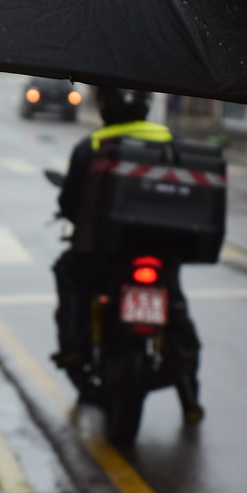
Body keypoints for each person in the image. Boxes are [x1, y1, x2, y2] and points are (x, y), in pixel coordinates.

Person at [52, 87, 203, 420]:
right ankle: (190, 400)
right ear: (147, 108)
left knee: (68, 274)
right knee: (175, 312)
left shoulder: (90, 146)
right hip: (163, 252)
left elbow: (68, 204)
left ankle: (72, 347)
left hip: (102, 254)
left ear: (104, 107)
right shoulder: (171, 140)